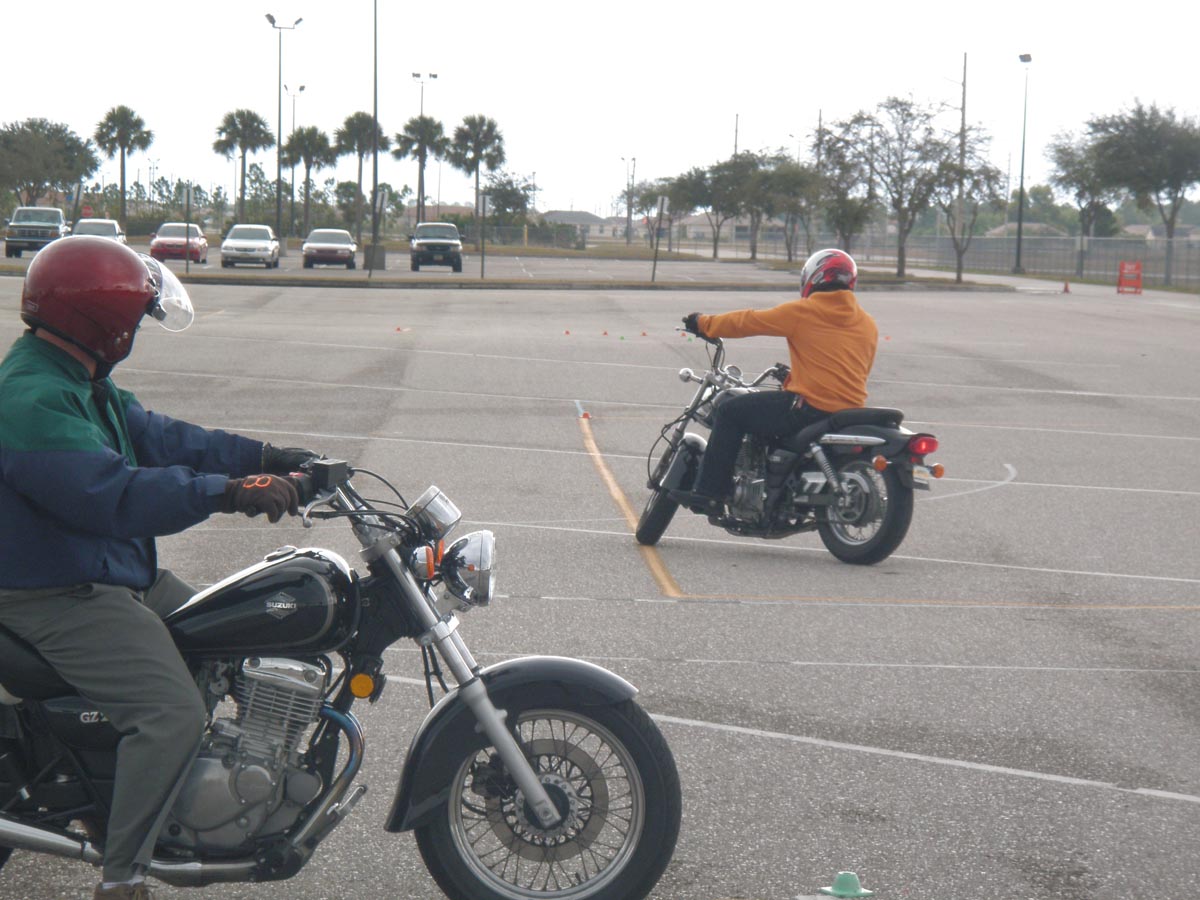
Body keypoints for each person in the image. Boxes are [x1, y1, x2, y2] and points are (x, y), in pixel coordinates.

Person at [0, 236, 320, 900]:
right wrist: (228, 493)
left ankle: (174, 794)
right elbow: (112, 495)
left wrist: (265, 456)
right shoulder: (32, 399)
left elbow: (167, 438)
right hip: (55, 592)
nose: (138, 330)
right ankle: (124, 877)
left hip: (110, 573)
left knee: (229, 636)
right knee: (171, 713)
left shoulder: (81, 381)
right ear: (104, 323)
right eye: (135, 318)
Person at [675, 248, 878, 514]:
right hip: (850, 413)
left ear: (814, 277)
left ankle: (710, 494)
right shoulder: (867, 323)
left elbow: (749, 321)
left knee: (729, 412)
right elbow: (850, 369)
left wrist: (704, 323)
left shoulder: (804, 311)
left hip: (809, 408)